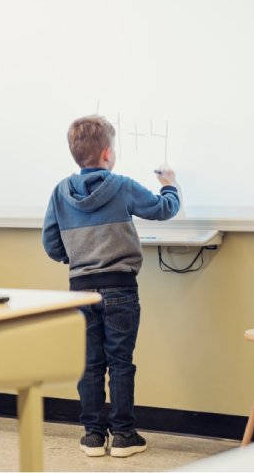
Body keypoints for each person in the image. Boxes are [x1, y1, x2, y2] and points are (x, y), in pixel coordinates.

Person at [42, 115, 180, 458]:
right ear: (107, 154)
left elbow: (51, 244)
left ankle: (92, 436)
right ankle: (123, 435)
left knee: (89, 363)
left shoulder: (60, 192)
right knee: (120, 362)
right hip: (120, 288)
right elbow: (163, 209)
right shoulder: (121, 185)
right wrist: (170, 184)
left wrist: (75, 257)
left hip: (81, 288)